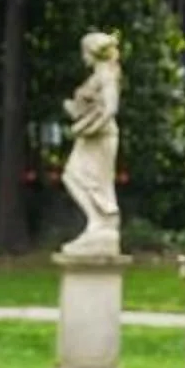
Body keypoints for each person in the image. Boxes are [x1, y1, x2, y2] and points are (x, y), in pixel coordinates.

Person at [60, 31, 122, 257]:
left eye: (84, 51)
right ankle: (98, 224)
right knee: (73, 176)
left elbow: (110, 109)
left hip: (101, 137)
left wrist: (85, 127)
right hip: (92, 136)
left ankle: (102, 225)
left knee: (92, 181)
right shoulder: (98, 75)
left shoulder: (106, 75)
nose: (82, 56)